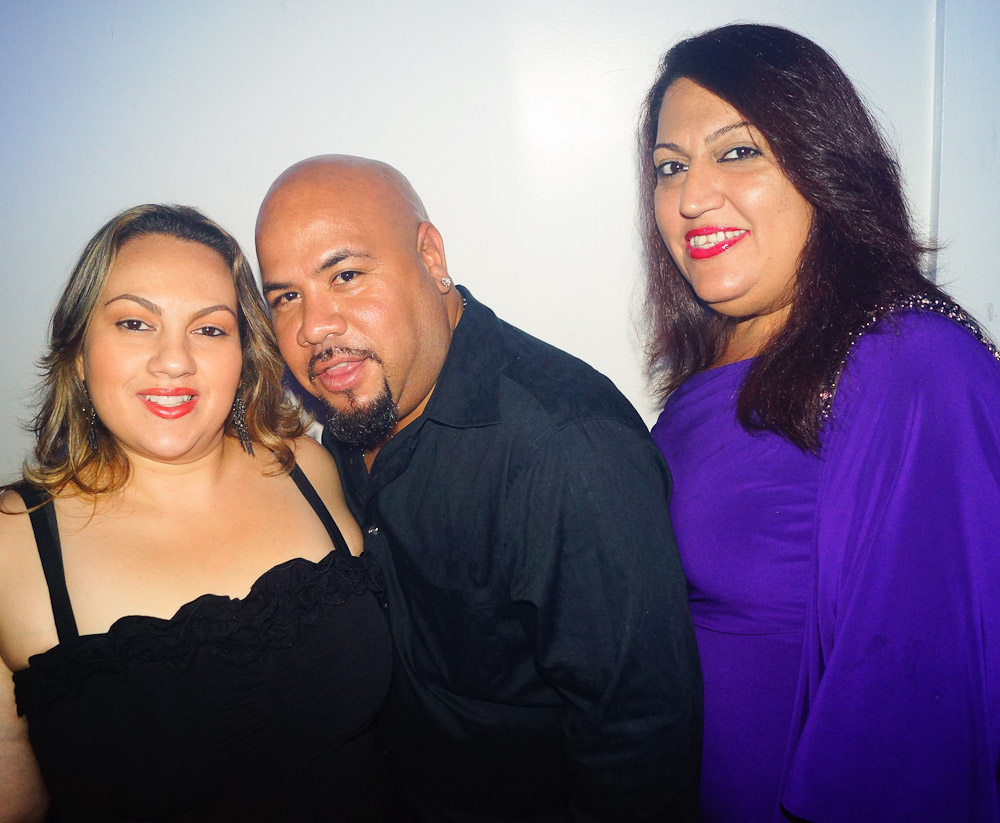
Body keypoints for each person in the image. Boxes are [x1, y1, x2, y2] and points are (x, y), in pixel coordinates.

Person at [255, 155, 702, 822]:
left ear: (430, 256)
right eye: (285, 297)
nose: (313, 326)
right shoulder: (350, 416)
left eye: (345, 275)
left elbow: (639, 741)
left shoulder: (564, 446)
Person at [640, 22, 1000, 822]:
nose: (692, 197)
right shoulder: (718, 359)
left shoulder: (913, 364)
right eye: (670, 166)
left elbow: (915, 711)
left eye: (738, 151)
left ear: (824, 164)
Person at [0, 204, 391, 821]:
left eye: (209, 329)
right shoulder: (13, 546)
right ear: (79, 349)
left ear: (244, 355)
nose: (174, 360)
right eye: (135, 323)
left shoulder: (309, 468)